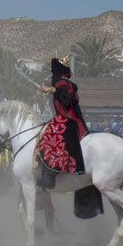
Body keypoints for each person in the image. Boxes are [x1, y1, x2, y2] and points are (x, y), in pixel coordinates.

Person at [36, 56, 88, 189]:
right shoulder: (65, 83)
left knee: (50, 138)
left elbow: (64, 95)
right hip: (66, 117)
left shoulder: (61, 83)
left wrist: (51, 90)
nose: (51, 75)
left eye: (52, 73)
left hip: (66, 119)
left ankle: (51, 174)